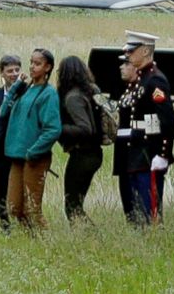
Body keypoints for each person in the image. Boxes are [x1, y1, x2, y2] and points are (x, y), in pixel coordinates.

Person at [113, 30, 174, 225]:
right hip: (135, 151)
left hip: (148, 152)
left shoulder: (155, 80)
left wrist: (163, 154)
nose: (128, 56)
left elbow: (168, 120)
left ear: (146, 51)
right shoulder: (141, 79)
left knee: (149, 209)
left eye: (132, 51)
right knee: (135, 206)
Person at [1, 48, 60, 229]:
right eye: (31, 63)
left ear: (48, 67)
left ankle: (44, 241)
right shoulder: (25, 89)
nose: (32, 67)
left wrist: (33, 151)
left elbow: (53, 129)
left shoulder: (48, 93)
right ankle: (29, 239)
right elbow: (3, 111)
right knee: (13, 207)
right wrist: (16, 87)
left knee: (32, 208)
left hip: (34, 157)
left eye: (38, 63)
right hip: (17, 155)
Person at [56, 55, 105, 224]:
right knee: (76, 204)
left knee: (72, 206)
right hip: (94, 153)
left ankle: (92, 238)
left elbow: (85, 128)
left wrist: (58, 129)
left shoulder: (73, 98)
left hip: (82, 154)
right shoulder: (92, 91)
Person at [0, 55, 24, 229]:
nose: (14, 74)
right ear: (1, 73)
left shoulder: (27, 94)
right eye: (9, 71)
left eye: (17, 70)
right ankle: (0, 225)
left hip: (18, 153)